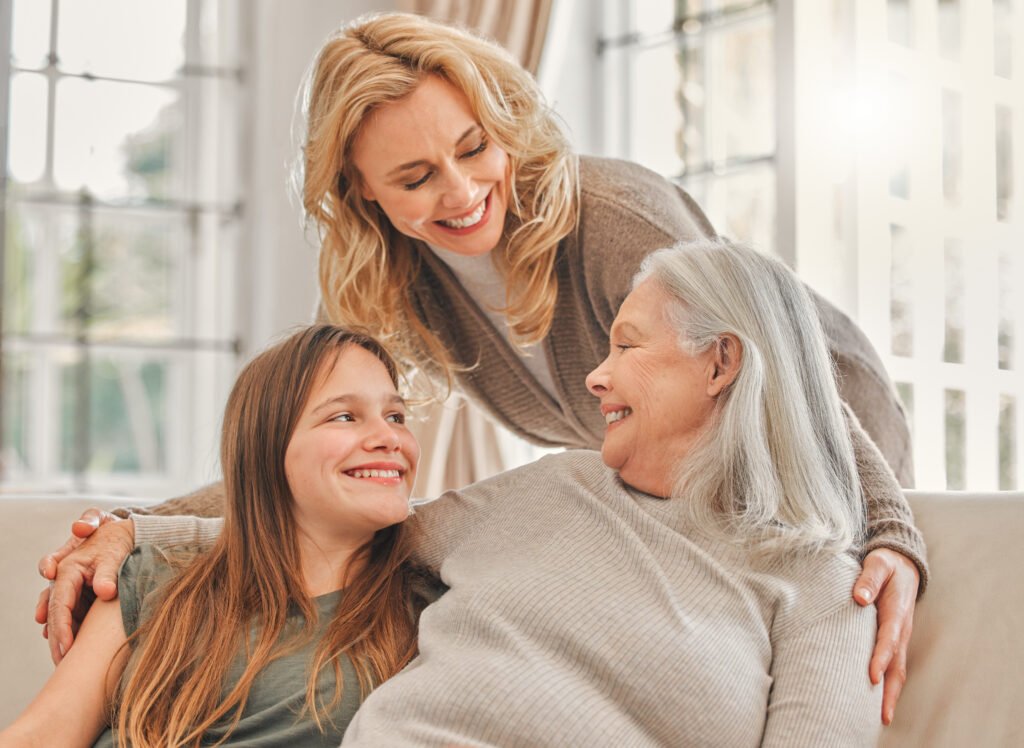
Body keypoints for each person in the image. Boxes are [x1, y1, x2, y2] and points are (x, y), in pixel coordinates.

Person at [38, 11, 923, 723]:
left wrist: (896, 533)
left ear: (504, 127)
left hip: (830, 417)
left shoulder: (613, 218)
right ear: (360, 193)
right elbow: (302, 458)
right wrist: (140, 525)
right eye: (416, 177)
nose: (460, 195)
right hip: (668, 474)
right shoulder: (388, 282)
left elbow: (776, 374)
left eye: (474, 149)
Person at [75, 240, 885, 745]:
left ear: (720, 363)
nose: (595, 376)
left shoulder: (822, 591)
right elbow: (332, 526)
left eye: (627, 346)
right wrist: (141, 533)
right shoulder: (557, 486)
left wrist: (899, 536)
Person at [3, 326, 435, 746]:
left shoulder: (430, 611)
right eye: (345, 416)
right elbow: (42, 737)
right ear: (266, 447)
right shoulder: (151, 577)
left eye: (396, 416)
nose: (389, 437)